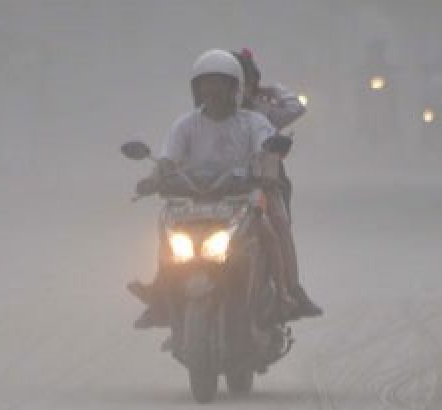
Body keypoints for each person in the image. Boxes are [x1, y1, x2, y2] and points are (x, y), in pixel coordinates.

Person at [128, 49, 320, 328]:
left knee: (267, 226)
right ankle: (163, 297)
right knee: (165, 226)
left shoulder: (255, 122)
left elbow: (267, 154)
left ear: (236, 87)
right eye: (206, 84)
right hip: (195, 200)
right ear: (196, 89)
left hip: (241, 198)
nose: (212, 91)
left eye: (220, 84)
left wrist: (267, 177)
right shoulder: (185, 124)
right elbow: (167, 160)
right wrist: (153, 178)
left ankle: (284, 295)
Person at [234, 48, 304, 215]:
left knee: (276, 214)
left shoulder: (262, 112)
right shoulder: (204, 117)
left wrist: (273, 90)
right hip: (222, 186)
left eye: (246, 84)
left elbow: (295, 108)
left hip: (262, 180)